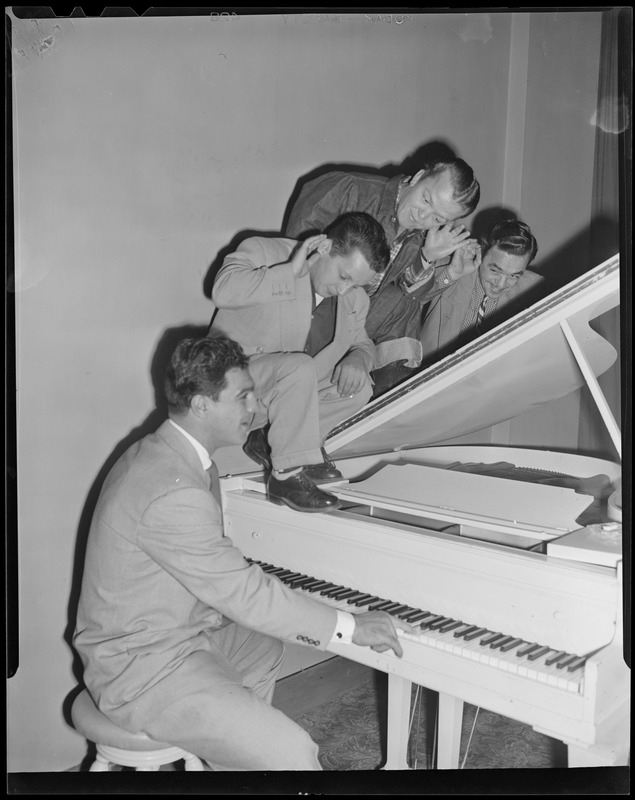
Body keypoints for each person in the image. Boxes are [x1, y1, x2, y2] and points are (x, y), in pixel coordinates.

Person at [73, 336, 409, 771]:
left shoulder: (173, 457)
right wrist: (348, 627)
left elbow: (219, 573)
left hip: (170, 632)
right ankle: (246, 745)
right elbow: (243, 592)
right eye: (243, 396)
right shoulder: (172, 488)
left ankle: (229, 753)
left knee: (261, 647)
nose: (256, 405)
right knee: (294, 753)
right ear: (201, 405)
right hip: (140, 667)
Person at [209, 212, 389, 513]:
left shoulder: (354, 299)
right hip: (232, 385)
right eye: (344, 277)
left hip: (280, 398)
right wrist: (289, 274)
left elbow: (363, 342)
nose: (344, 290)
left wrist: (360, 357)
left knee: (359, 389)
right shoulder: (266, 253)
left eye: (356, 285)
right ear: (325, 248)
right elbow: (222, 291)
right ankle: (286, 477)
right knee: (299, 367)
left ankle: (277, 443)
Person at [285, 155, 481, 394]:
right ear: (418, 177)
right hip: (301, 322)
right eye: (426, 199)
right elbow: (292, 259)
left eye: (438, 218)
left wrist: (428, 257)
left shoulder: (424, 238)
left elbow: (400, 299)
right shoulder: (348, 188)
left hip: (348, 332)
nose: (423, 216)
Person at [419, 219, 542, 365]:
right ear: (481, 252)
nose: (501, 284)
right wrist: (451, 274)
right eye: (495, 270)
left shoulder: (534, 288)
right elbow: (412, 300)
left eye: (514, 275)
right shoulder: (450, 268)